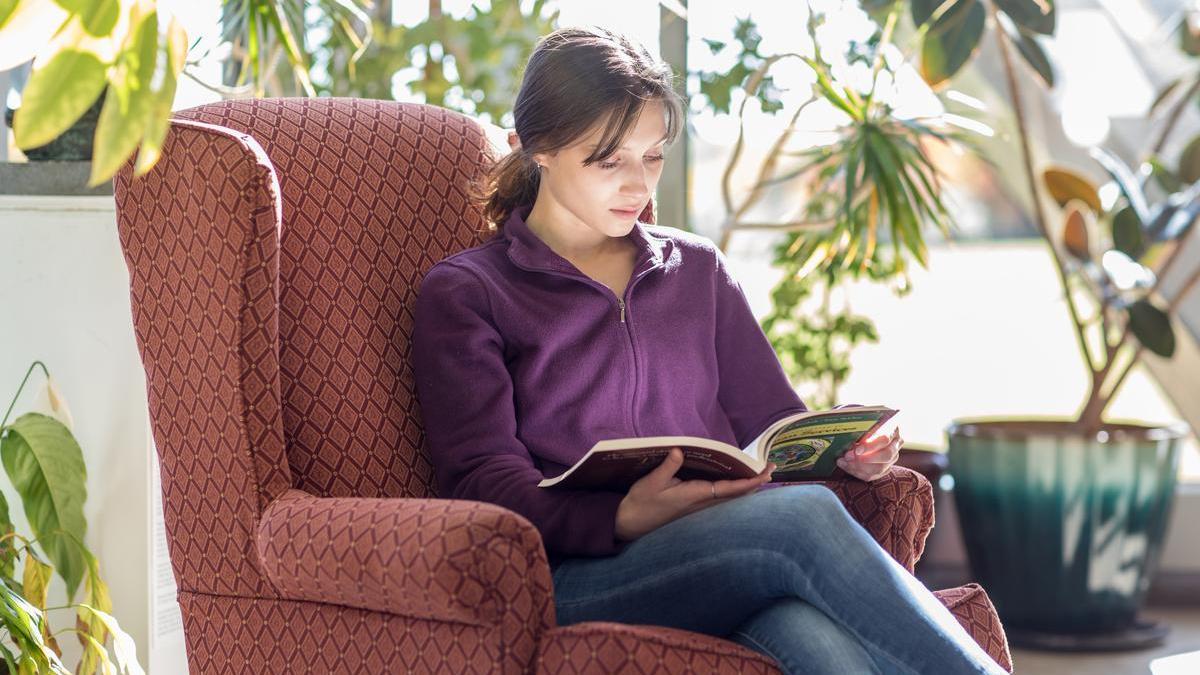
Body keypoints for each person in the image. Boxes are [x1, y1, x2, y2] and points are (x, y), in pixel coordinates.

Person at [410, 25, 1007, 675]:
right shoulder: (469, 292)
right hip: (575, 576)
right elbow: (483, 482)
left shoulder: (697, 270)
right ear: (536, 149)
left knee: (824, 649)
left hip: (722, 555)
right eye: (608, 159)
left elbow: (774, 427)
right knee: (801, 521)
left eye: (653, 155)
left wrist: (846, 454)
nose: (637, 184)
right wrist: (621, 515)